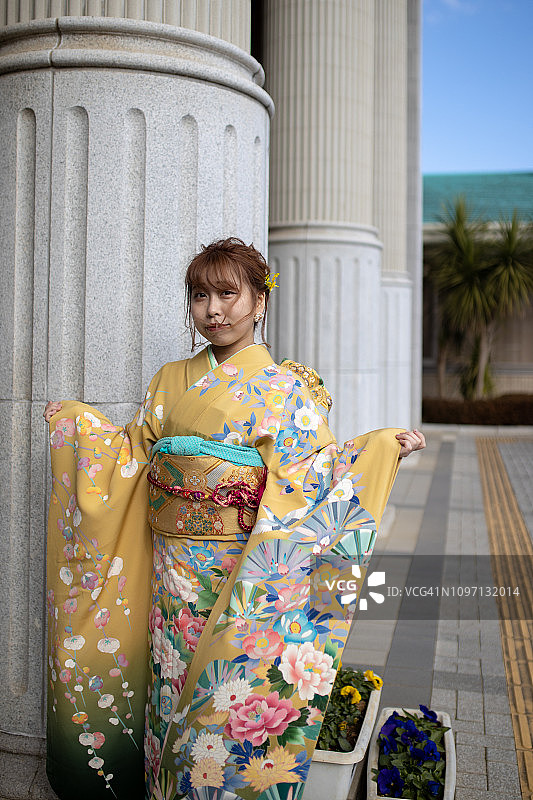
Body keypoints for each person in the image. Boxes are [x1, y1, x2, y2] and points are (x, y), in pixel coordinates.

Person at [44, 238, 425, 800]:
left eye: (228, 293)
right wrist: (79, 426)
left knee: (230, 695)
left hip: (242, 574)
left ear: (259, 302)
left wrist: (377, 450)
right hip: (172, 577)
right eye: (200, 296)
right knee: (171, 690)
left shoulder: (287, 390)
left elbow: (310, 477)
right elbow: (131, 456)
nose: (213, 310)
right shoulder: (170, 379)